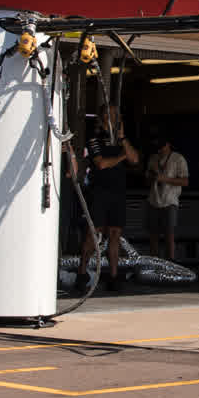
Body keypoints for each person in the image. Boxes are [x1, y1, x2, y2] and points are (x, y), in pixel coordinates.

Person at [81, 110, 138, 292]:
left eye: (117, 116)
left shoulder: (121, 140)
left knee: (115, 234)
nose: (115, 118)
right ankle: (82, 272)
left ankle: (113, 276)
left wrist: (123, 139)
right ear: (104, 117)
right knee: (95, 233)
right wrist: (122, 157)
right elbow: (101, 163)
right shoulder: (94, 138)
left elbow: (135, 159)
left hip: (118, 192)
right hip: (99, 192)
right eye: (111, 115)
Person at [143, 136, 189, 261]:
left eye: (161, 147)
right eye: (157, 148)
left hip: (170, 202)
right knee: (153, 236)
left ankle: (171, 264)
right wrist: (150, 177)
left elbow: (185, 181)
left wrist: (165, 179)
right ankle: (155, 264)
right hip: (153, 201)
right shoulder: (153, 158)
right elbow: (147, 181)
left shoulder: (178, 158)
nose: (159, 150)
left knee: (170, 236)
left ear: (168, 144)